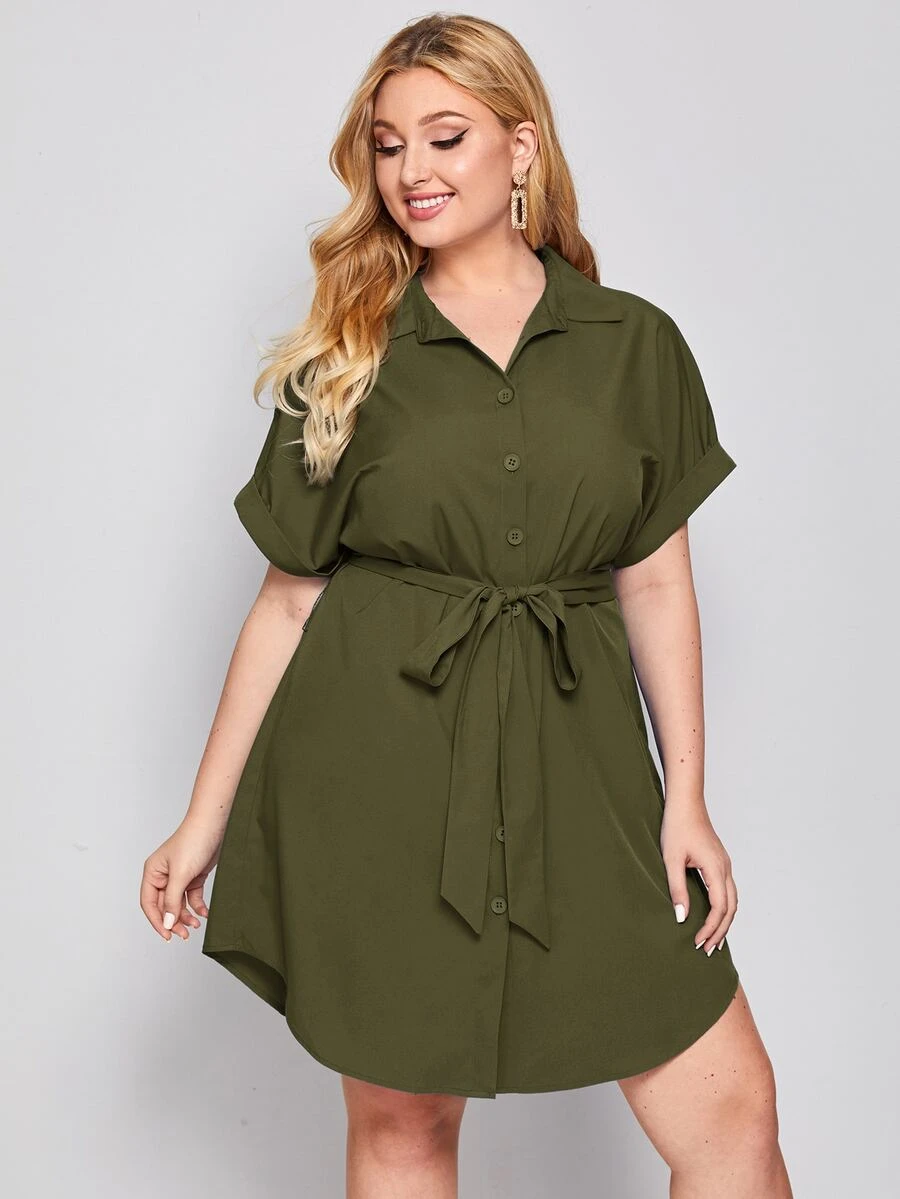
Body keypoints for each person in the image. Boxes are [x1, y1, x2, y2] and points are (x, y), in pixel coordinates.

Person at [141, 13, 793, 1197]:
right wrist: (203, 820)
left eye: (445, 137)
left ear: (521, 146)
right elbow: (286, 605)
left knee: (731, 1111)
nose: (412, 172)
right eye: (389, 146)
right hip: (377, 770)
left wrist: (686, 793)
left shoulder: (634, 345)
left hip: (580, 764)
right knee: (404, 1122)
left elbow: (654, 575)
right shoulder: (346, 353)